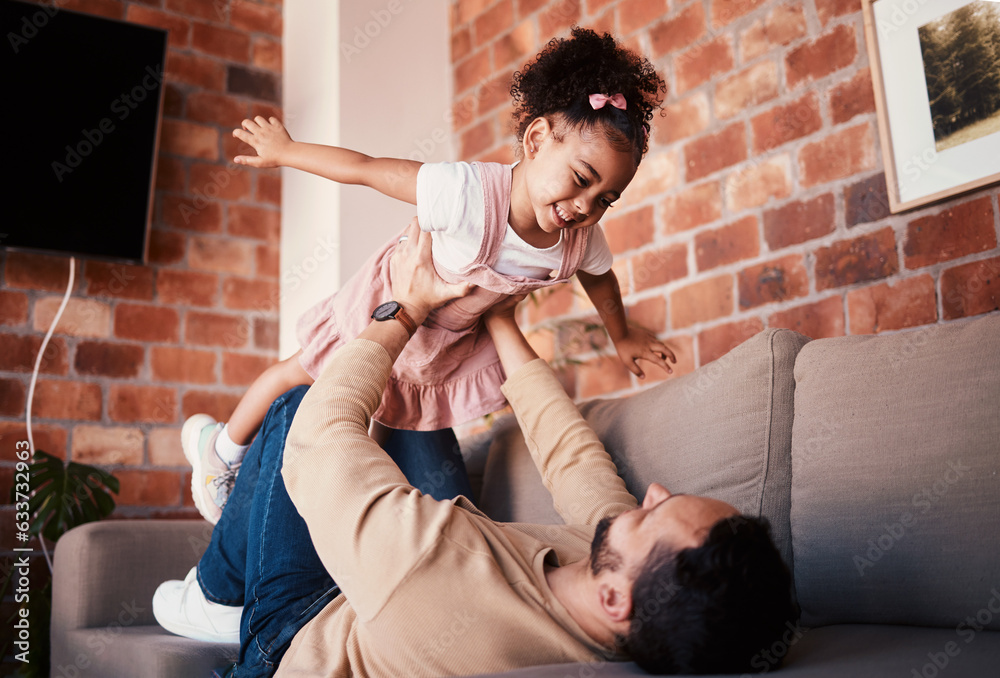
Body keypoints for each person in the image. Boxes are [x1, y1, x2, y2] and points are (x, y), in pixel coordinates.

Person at [153, 220, 796, 677]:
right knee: (423, 399)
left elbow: (320, 442)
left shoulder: (433, 576)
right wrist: (495, 312)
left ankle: (217, 592)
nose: (652, 493)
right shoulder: (625, 598)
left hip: (300, 633)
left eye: (654, 514)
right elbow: (574, 461)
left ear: (615, 600)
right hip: (399, 583)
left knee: (297, 406)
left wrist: (401, 308)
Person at [182, 27, 677, 525]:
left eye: (605, 200)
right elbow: (367, 169)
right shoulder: (464, 193)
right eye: (581, 180)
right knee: (301, 372)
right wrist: (288, 151)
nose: (585, 207)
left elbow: (602, 280)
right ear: (537, 139)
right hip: (393, 303)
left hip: (448, 340)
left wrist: (623, 334)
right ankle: (220, 448)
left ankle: (359, 511)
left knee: (388, 414)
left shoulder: (579, 240)